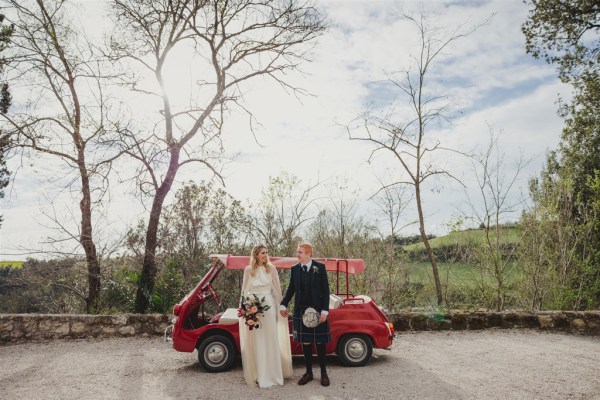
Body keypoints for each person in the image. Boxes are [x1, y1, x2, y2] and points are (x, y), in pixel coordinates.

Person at [239, 244, 293, 388]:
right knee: (259, 341)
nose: (265, 255)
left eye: (266, 252)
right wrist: (245, 309)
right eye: (263, 253)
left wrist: (282, 306)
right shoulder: (249, 270)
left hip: (268, 307)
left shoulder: (272, 269)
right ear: (256, 254)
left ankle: (274, 375)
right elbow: (244, 291)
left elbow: (277, 289)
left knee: (270, 338)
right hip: (254, 309)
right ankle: (260, 375)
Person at [280, 242, 331, 387]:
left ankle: (323, 373)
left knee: (320, 342)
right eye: (297, 252)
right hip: (301, 311)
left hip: (318, 310)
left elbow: (326, 291)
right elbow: (291, 289)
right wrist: (283, 304)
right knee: (306, 342)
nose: (297, 254)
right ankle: (309, 373)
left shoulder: (319, 268)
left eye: (300, 252)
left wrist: (325, 311)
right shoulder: (295, 269)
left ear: (308, 254)